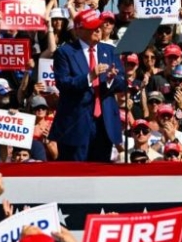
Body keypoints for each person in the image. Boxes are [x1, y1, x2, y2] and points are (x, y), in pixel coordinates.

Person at [49, 9, 126, 161]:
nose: (98, 29)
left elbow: (123, 82)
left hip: (104, 125)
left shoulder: (110, 51)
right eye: (93, 27)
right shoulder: (65, 53)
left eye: (99, 26)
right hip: (75, 126)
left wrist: (111, 79)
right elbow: (63, 83)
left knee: (101, 176)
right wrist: (89, 77)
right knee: (75, 178)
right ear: (79, 30)